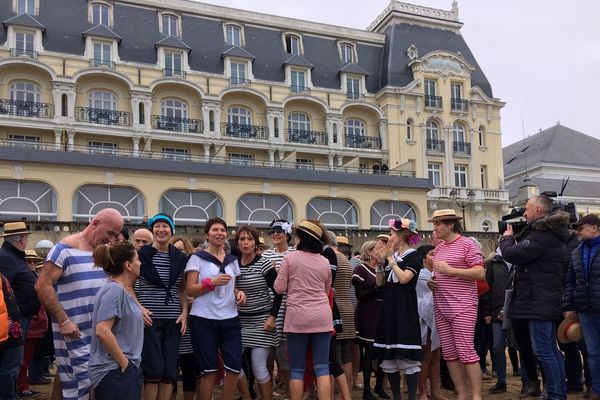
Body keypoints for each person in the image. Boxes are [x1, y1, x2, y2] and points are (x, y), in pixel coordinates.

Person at [35, 208, 124, 400]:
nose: (111, 239)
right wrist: (64, 321)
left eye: (115, 235)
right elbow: (42, 285)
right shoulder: (64, 249)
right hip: (74, 332)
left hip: (99, 333)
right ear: (95, 224)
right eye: (110, 233)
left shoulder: (102, 253)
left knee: (78, 382)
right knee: (85, 384)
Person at [499, 195, 570, 400]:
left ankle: (556, 394)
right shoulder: (548, 233)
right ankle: (557, 392)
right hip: (541, 298)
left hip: (539, 300)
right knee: (549, 348)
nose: (524, 213)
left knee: (544, 350)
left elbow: (513, 254)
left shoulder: (542, 235)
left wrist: (507, 239)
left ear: (538, 210)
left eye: (527, 209)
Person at [185, 217, 246, 400]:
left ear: (226, 234)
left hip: (230, 318)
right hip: (203, 319)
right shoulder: (197, 258)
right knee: (209, 369)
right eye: (215, 230)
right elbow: (190, 290)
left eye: (222, 230)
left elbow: (232, 286)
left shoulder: (232, 261)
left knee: (234, 366)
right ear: (206, 235)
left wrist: (238, 293)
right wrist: (211, 282)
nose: (219, 233)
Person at [427, 209, 484, 400]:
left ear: (450, 224)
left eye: (438, 224)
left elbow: (480, 273)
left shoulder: (468, 244)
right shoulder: (440, 248)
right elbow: (438, 275)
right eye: (434, 224)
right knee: (450, 353)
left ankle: (476, 396)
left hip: (463, 306)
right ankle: (462, 395)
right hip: (442, 306)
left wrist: (451, 270)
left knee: (466, 350)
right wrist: (431, 282)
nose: (435, 228)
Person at [274, 220, 332, 400]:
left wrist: (279, 273)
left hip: (297, 317)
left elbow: (279, 288)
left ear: (300, 237)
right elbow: (326, 289)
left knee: (297, 368)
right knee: (322, 366)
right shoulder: (324, 261)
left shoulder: (290, 258)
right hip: (322, 315)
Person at [135, 213, 188, 400]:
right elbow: (128, 286)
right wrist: (139, 308)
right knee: (153, 369)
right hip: (150, 319)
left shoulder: (179, 257)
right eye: (157, 226)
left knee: (169, 370)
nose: (161, 230)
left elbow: (181, 289)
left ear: (171, 230)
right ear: (152, 230)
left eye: (165, 226)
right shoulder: (141, 255)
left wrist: (185, 313)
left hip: (173, 318)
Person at [373, 218, 423, 400]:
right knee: (389, 358)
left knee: (407, 356)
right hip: (389, 310)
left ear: (402, 236)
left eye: (393, 234)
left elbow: (404, 279)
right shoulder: (391, 258)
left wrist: (388, 259)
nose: (390, 237)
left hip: (405, 310)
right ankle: (396, 397)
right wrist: (380, 263)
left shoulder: (414, 256)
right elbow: (379, 284)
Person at [89, 241, 144, 399]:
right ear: (128, 265)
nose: (140, 263)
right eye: (137, 259)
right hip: (115, 372)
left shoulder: (119, 290)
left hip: (121, 370)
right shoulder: (114, 290)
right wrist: (125, 365)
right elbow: (102, 330)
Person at [235, 225, 282, 400]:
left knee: (258, 365)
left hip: (262, 321)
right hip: (239, 322)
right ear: (237, 242)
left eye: (249, 239)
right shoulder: (233, 263)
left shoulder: (264, 264)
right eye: (242, 239)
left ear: (256, 243)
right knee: (232, 363)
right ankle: (247, 396)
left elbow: (279, 291)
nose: (246, 243)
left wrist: (273, 317)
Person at [0, 222, 40, 398]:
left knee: (14, 362)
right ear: (22, 239)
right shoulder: (6, 258)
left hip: (18, 316)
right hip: (13, 320)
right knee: (10, 363)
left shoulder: (12, 256)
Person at [563, 214, 600, 400]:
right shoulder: (576, 252)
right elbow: (570, 281)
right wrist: (568, 305)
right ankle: (596, 388)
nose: (578, 231)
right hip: (585, 308)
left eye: (582, 227)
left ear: (594, 227)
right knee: (592, 352)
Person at [352, 241, 388, 400]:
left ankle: (379, 385)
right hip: (368, 312)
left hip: (384, 312)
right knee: (370, 351)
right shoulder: (361, 268)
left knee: (383, 351)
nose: (381, 251)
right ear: (369, 251)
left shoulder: (385, 268)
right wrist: (377, 288)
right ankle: (367, 389)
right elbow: (360, 295)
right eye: (378, 249)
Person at [262, 219, 294, 398]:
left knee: (284, 356)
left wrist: (280, 275)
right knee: (266, 355)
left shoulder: (294, 254)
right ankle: (267, 392)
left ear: (287, 234)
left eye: (279, 231)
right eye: (272, 231)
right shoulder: (266, 255)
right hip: (268, 308)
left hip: (287, 309)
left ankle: (290, 393)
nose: (275, 234)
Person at [415, 244, 446, 400]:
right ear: (423, 258)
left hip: (437, 318)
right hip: (424, 319)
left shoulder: (437, 272)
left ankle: (436, 391)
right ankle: (422, 392)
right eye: (431, 254)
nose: (435, 257)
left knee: (436, 355)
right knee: (426, 355)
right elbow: (423, 298)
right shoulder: (421, 274)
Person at [16, 250, 48, 398]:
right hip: (30, 326)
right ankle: (21, 387)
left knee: (28, 358)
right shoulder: (26, 280)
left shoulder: (32, 278)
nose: (33, 264)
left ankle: (24, 384)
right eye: (29, 261)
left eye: (34, 261)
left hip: (35, 326)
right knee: (23, 359)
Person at [484, 248, 514, 394]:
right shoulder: (493, 264)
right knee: (497, 346)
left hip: (517, 312)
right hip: (497, 312)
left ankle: (529, 380)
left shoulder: (521, 259)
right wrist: (487, 312)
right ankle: (501, 380)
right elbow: (487, 289)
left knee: (522, 346)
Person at [170, 237, 196, 400]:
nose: (179, 253)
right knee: (170, 370)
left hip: (191, 329)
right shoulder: (168, 273)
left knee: (190, 369)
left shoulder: (194, 274)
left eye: (182, 250)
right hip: (171, 326)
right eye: (176, 249)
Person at [332, 235, 357, 391]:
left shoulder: (331, 259)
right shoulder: (347, 262)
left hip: (336, 309)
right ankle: (346, 390)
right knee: (346, 354)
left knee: (335, 355)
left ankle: (336, 390)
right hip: (348, 308)